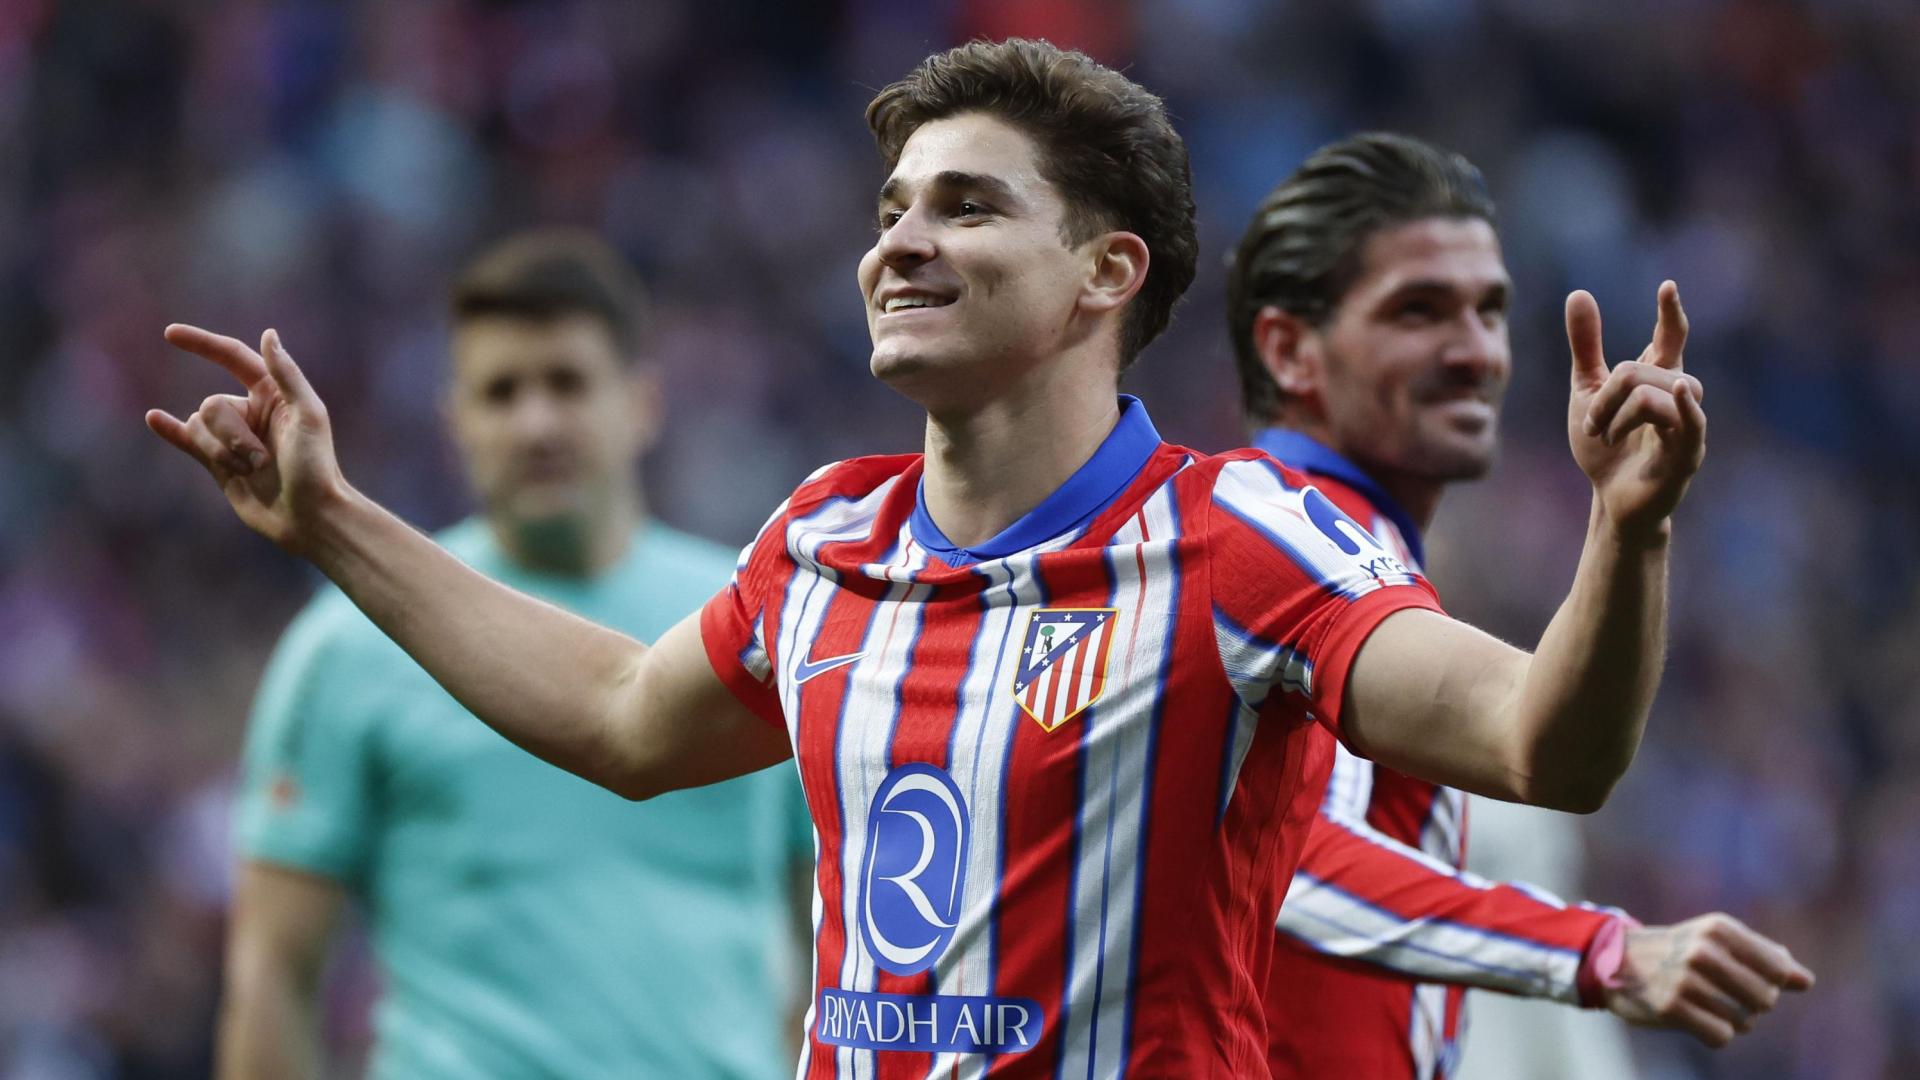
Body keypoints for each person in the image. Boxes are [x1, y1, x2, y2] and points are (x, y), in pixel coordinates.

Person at [152, 40, 1710, 1077]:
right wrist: (336, 519)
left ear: (1108, 272)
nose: (900, 240)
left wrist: (1625, 536)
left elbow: (1537, 747)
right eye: (893, 207)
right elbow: (626, 720)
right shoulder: (829, 535)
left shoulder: (1238, 538)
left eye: (966, 208)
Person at [1225, 133, 1814, 1079]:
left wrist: (1631, 527)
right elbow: (1294, 865)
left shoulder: (1358, 564)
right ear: (1291, 348)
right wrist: (1597, 950)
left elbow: (1563, 760)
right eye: (1420, 311)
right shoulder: (1280, 556)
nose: (1476, 351)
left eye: (1490, 310)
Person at [216, 232, 811, 1080]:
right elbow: (273, 974)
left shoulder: (759, 629)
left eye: (567, 384)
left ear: (642, 403)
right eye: (501, 392)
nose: (536, 422)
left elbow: (829, 949)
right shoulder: (349, 647)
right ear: (454, 421)